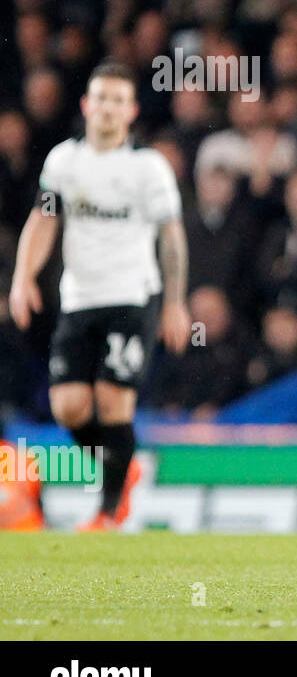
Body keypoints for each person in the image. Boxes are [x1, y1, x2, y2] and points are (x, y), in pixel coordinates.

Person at [8, 62, 190, 531]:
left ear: (130, 111)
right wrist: (22, 277)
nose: (107, 108)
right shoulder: (63, 162)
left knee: (113, 401)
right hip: (79, 298)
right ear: (87, 105)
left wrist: (174, 302)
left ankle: (108, 514)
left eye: (117, 100)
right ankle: (120, 468)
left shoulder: (147, 168)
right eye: (100, 98)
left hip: (132, 297)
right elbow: (44, 220)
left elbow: (171, 238)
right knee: (68, 406)